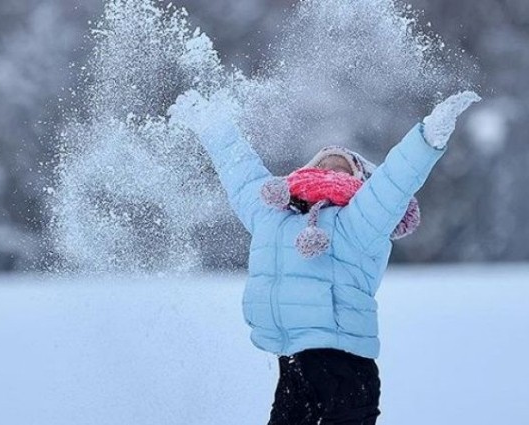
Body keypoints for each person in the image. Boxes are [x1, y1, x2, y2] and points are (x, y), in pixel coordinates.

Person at [168, 89, 480, 424]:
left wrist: (428, 136)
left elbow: (395, 181)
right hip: (292, 366)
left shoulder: (360, 220)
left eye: (344, 166)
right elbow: (241, 174)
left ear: (360, 182)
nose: (332, 165)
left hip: (346, 368)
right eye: (322, 162)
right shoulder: (272, 216)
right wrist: (213, 125)